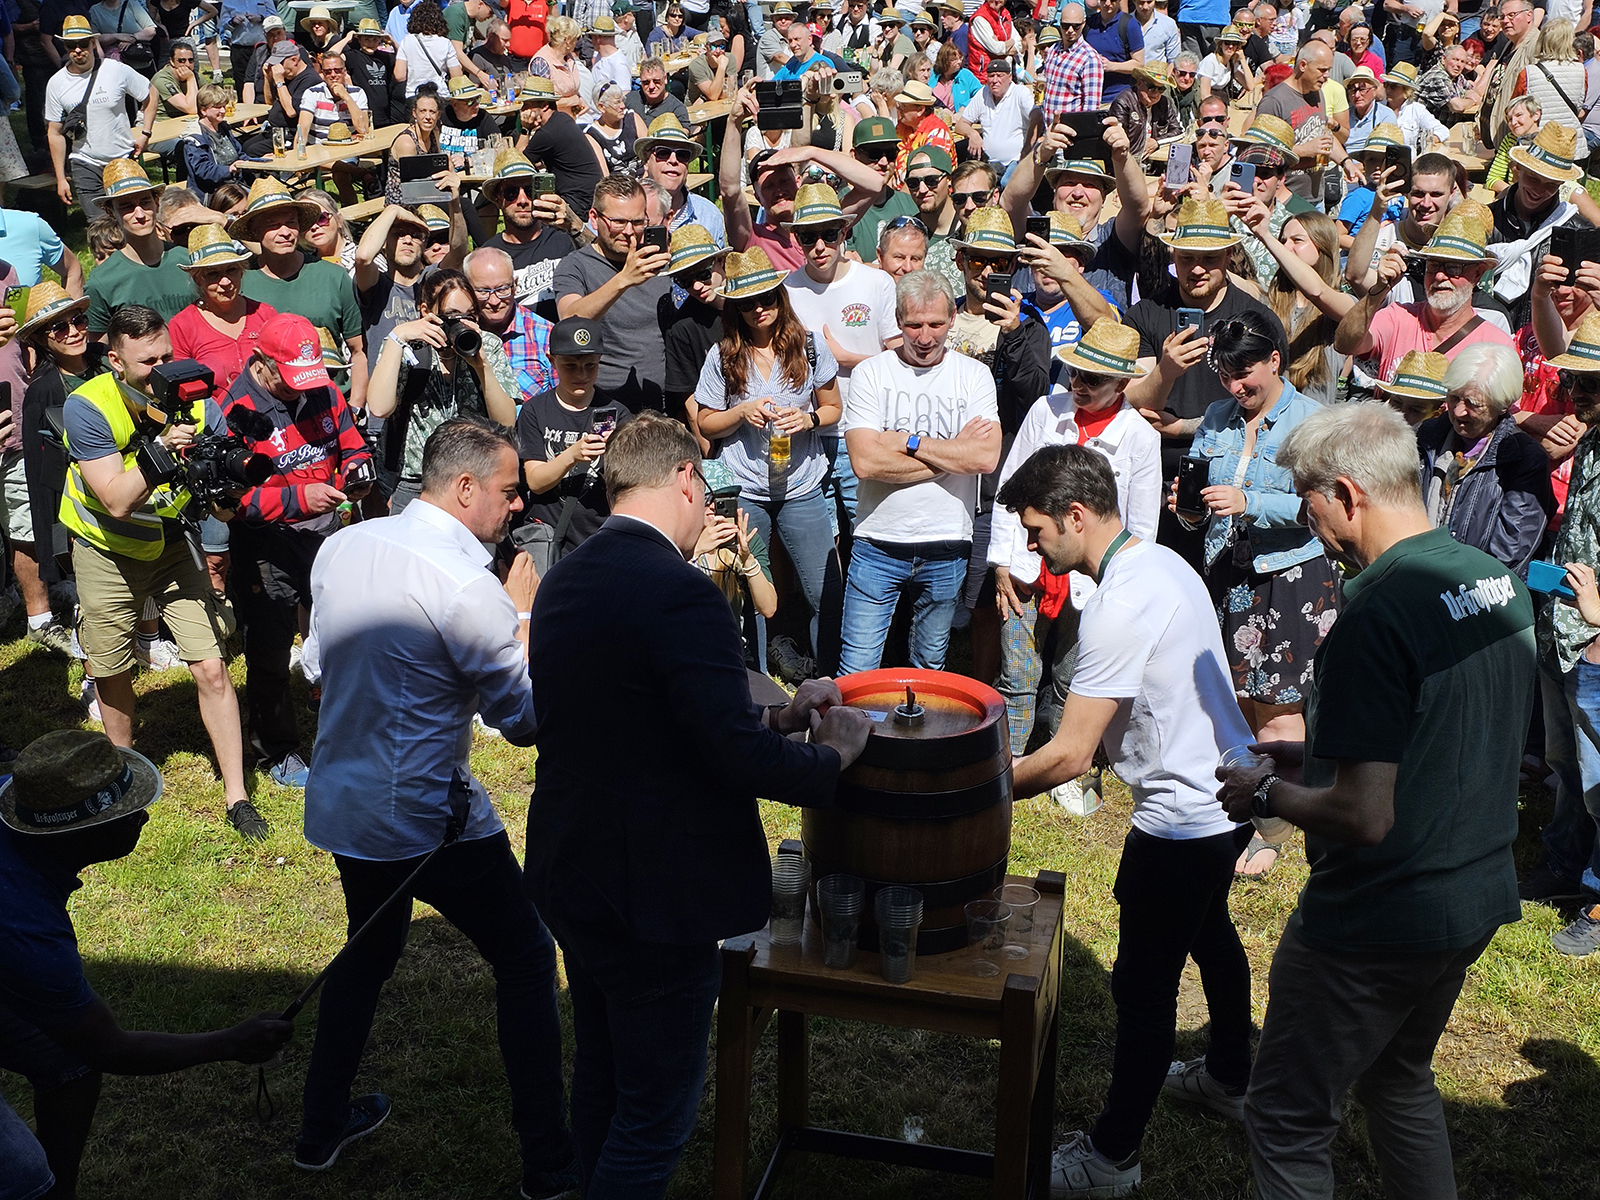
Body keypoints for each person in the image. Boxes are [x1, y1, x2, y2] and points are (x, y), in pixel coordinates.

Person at [524, 410, 871, 1196]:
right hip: (654, 895)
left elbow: (643, 714)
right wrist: (832, 755)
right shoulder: (681, 594)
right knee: (653, 1120)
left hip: (574, 868)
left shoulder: (564, 577)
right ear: (686, 478)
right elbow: (736, 759)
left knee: (604, 1080)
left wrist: (776, 714)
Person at [1216, 402, 1536, 1199]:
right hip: (1473, 894)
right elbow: (1444, 727)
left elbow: (1365, 815)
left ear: (1349, 494)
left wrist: (1268, 790)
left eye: (1308, 500)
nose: (1306, 519)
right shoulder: (1493, 580)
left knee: (1288, 1118)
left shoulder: (1373, 614)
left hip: (1375, 919)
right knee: (1398, 1078)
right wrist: (1313, 748)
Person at [297, 417, 576, 1192]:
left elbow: (315, 662)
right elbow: (523, 723)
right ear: (464, 489)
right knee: (525, 958)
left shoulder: (345, 545)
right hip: (424, 819)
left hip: (345, 802)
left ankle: (319, 1128)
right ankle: (549, 1164)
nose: (518, 506)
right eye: (509, 491)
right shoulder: (468, 586)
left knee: (369, 951)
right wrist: (523, 613)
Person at [994, 443, 1254, 1199]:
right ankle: (1230, 1077)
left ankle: (1111, 1158)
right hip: (1225, 798)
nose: (1034, 547)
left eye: (1038, 531)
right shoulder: (1162, 562)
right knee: (1213, 936)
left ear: (1077, 516)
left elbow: (1071, 754)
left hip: (1181, 819)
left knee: (1143, 989)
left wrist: (979, 788)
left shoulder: (1118, 601)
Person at [0, 730, 293, 1200]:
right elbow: (110, 1049)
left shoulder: (16, 800)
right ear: (76, 835)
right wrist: (230, 1042)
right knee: (22, 1179)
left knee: (67, 1062)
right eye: (124, 813)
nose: (144, 814)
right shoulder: (25, 930)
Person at [58, 303, 265, 839]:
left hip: (174, 542)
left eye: (168, 356)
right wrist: (157, 451)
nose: (163, 370)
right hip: (108, 546)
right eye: (148, 361)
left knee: (212, 665)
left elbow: (221, 502)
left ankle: (237, 796)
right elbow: (115, 498)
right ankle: (120, 778)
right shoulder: (89, 406)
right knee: (112, 668)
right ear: (115, 359)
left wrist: (229, 484)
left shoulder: (196, 397)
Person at [987, 318, 1160, 768]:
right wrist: (1002, 564)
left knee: (1072, 678)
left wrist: (1121, 588)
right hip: (1029, 566)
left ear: (1122, 382)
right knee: (1017, 676)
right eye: (1074, 372)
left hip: (1091, 581)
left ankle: (1058, 764)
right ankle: (1006, 764)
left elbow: (1143, 524)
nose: (1078, 384)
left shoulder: (1140, 436)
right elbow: (1011, 486)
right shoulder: (1046, 411)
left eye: (1093, 378)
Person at [839, 269, 1001, 672]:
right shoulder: (870, 374)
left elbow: (984, 458)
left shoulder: (974, 375)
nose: (925, 337)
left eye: (935, 324)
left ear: (952, 319)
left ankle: (916, 738)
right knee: (857, 665)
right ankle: (845, 736)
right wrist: (951, 454)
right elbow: (865, 462)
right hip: (878, 540)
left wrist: (909, 443)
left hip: (947, 542)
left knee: (928, 667)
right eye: (913, 325)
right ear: (897, 321)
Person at [696, 244, 844, 672]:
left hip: (801, 486)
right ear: (736, 309)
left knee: (824, 591)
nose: (758, 309)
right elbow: (706, 423)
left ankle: (829, 678)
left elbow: (834, 408)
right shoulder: (723, 355)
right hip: (746, 489)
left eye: (766, 299)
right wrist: (741, 412)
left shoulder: (811, 347)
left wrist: (809, 418)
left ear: (780, 297)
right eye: (747, 303)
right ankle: (755, 682)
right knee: (747, 591)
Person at [1122, 197, 1286, 568]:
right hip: (1153, 480)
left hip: (1230, 482)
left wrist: (1185, 427)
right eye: (1186, 258)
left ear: (1229, 255)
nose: (1197, 268)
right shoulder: (1146, 314)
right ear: (1173, 256)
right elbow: (1133, 403)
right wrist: (1166, 370)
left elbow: (1272, 405)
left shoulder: (1257, 320)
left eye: (1209, 258)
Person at [368, 268, 516, 512]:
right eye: (452, 316)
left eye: (470, 316)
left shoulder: (487, 345)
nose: (461, 325)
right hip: (417, 484)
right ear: (427, 312)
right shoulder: (406, 347)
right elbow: (379, 407)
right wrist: (397, 337)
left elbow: (506, 422)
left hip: (474, 481)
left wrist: (481, 365)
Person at [1336, 209, 1515, 388]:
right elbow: (1345, 344)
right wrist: (1378, 292)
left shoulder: (1495, 344)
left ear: (1478, 274)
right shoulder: (1398, 316)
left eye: (1453, 267)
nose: (1439, 276)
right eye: (1433, 265)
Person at [1417, 342, 1555, 574]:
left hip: (1472, 594)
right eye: (1454, 398)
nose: (1459, 411)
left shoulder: (1523, 459)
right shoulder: (1425, 437)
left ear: (1502, 406)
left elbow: (1509, 554)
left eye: (1473, 404)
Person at [238, 178, 369, 411]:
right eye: (273, 225)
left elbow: (359, 351)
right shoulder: (242, 282)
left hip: (331, 400)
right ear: (255, 231)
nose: (285, 232)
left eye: (291, 223)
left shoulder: (332, 277)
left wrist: (356, 406)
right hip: (267, 407)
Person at [553, 174, 673, 413]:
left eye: (638, 222)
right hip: (604, 405)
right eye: (618, 222)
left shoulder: (659, 262)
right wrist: (624, 280)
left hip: (662, 404)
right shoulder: (576, 266)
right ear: (594, 219)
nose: (629, 232)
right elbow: (570, 319)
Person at [517, 315, 616, 556]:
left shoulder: (616, 412)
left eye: (590, 365)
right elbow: (536, 483)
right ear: (552, 360)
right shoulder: (535, 411)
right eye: (570, 365)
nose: (581, 374)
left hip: (599, 538)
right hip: (550, 539)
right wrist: (572, 455)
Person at [45, 14, 158, 220]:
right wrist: (61, 178)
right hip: (84, 162)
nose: (77, 50)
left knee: (134, 223)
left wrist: (145, 132)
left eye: (82, 43)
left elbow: (150, 93)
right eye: (71, 45)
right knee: (100, 229)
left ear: (92, 42)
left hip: (123, 158)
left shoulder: (115, 69)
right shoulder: (56, 83)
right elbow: (55, 133)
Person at [168, 223, 278, 402]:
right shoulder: (182, 326)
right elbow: (183, 389)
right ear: (197, 279)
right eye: (213, 274)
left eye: (231, 270)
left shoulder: (265, 314)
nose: (225, 281)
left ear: (241, 272)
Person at [85, 161, 197, 334]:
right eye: (127, 206)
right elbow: (100, 350)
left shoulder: (190, 261)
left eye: (145, 202)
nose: (140, 215)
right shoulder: (102, 282)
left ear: (156, 204)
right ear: (110, 212)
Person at [1256, 40, 1363, 205]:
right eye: (1322, 70)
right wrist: (1304, 150)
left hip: (1316, 197)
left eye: (1328, 70)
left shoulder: (1317, 94)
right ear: (1303, 65)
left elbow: (1325, 138)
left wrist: (1346, 162)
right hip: (1284, 199)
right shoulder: (1274, 101)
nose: (1327, 76)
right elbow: (1261, 151)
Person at [514, 74, 605, 221]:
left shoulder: (547, 133)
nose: (523, 110)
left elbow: (516, 166)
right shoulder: (562, 119)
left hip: (577, 202)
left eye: (527, 105)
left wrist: (525, 129)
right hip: (591, 195)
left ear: (544, 106)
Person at [638, 112, 724, 243]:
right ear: (645, 161)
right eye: (663, 152)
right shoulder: (623, 213)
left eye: (682, 155)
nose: (673, 160)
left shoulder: (708, 215)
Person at [954, 56, 1033, 174]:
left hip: (1015, 161)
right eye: (991, 76)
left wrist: (1028, 148)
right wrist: (973, 134)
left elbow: (1036, 117)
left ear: (1010, 77)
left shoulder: (1020, 93)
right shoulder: (983, 93)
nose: (995, 80)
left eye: (1000, 75)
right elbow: (960, 124)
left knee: (1007, 182)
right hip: (988, 163)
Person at [395, 0, 462, 97]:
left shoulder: (407, 41)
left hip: (414, 95)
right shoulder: (445, 43)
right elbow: (457, 76)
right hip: (439, 95)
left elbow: (399, 75)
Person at [627, 55, 691, 127]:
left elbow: (684, 132)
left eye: (656, 81)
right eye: (646, 82)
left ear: (665, 79)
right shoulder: (629, 99)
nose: (651, 86)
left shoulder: (676, 109)